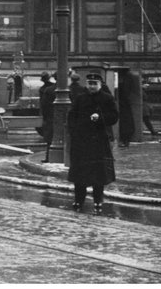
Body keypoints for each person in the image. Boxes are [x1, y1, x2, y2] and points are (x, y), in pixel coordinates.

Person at [67, 72, 119, 214]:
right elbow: (72, 116)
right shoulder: (80, 98)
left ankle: (98, 201)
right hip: (82, 142)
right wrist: (75, 131)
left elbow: (114, 116)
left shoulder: (107, 99)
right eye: (90, 83)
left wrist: (101, 117)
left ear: (100, 85)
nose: (92, 86)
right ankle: (79, 200)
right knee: (80, 175)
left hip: (98, 142)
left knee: (98, 175)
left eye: (94, 84)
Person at [117, 70, 136, 148]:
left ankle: (125, 140)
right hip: (126, 105)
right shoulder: (129, 79)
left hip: (123, 105)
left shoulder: (124, 84)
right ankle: (126, 141)